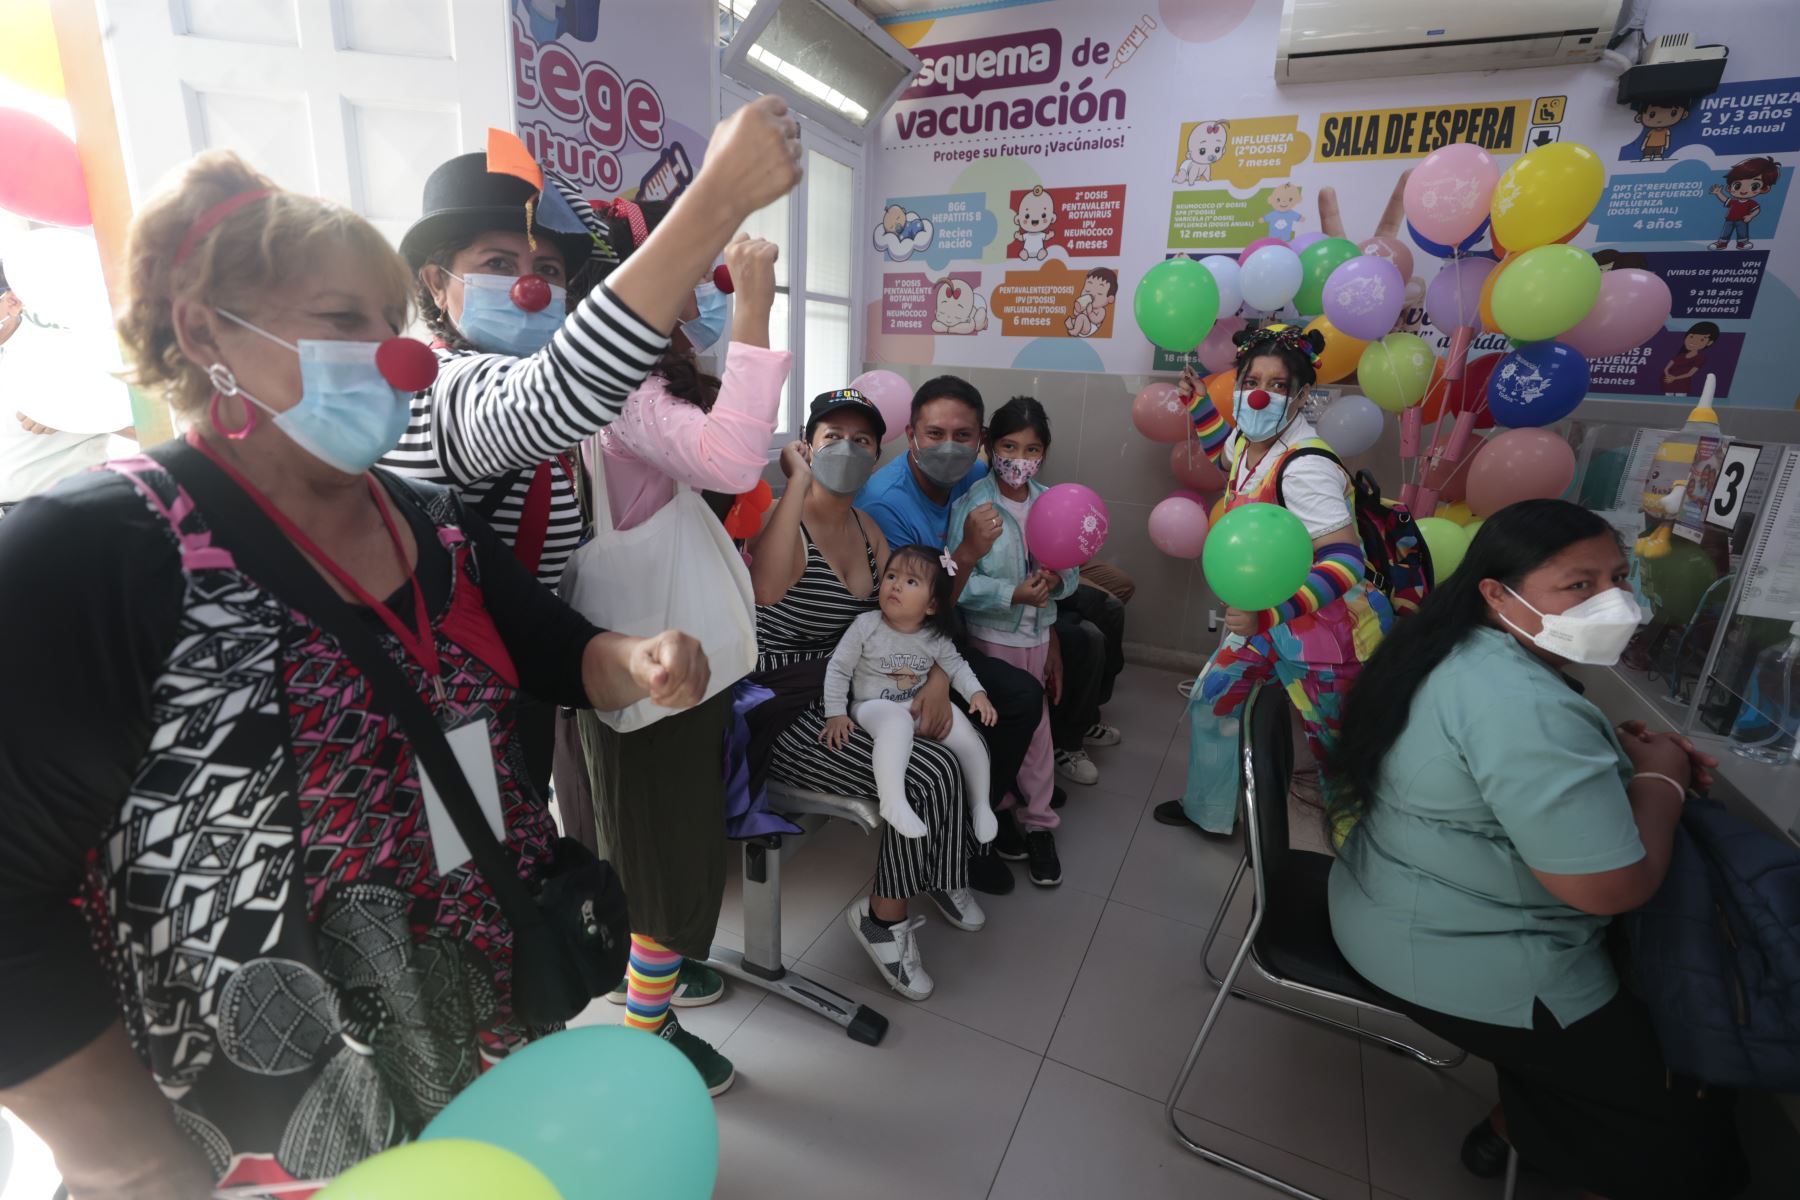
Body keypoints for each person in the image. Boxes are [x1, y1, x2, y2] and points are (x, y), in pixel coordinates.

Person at [0, 152, 710, 1199]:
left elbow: (561, 653)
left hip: (470, 1037)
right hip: (247, 1119)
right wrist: (127, 1160)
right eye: (342, 320)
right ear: (205, 335)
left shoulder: (427, 521)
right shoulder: (99, 550)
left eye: (391, 320)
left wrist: (635, 662)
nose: (391, 358)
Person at [1327, 500, 1747, 1200]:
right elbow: (1609, 888)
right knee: (1688, 1083)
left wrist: (1612, 755)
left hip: (1385, 906)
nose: (1611, 603)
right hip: (1463, 959)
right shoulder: (1517, 700)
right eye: (1578, 585)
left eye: (1618, 578)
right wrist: (1661, 782)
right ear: (1497, 592)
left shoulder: (1453, 647)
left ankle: (1510, 1127)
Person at [381, 98, 801, 797]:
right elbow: (555, 394)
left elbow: (535, 596)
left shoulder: (544, 412)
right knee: (470, 881)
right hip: (444, 712)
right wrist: (716, 200)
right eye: (497, 260)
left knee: (516, 859)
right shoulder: (436, 393)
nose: (529, 283)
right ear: (435, 281)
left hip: (523, 695)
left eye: (545, 264)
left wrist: (623, 660)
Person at [558, 206, 787, 1095]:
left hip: (656, 674)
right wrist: (758, 305)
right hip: (655, 684)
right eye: (679, 273)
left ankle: (652, 984)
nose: (693, 292)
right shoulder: (622, 395)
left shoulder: (602, 389)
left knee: (658, 850)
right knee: (661, 866)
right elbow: (733, 460)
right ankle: (647, 1028)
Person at [748, 390, 985, 1001]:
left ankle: (938, 870)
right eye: (832, 437)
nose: (847, 450)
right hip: (781, 704)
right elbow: (768, 588)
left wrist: (936, 679)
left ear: (881, 450)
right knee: (923, 772)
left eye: (862, 440)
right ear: (805, 444)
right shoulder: (783, 519)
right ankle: (883, 923)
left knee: (953, 741)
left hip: (858, 686)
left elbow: (914, 618)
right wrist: (797, 480)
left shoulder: (870, 528)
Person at [1157, 324, 1392, 838]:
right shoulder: (1251, 439)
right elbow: (1227, 458)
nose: (1260, 393)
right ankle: (1210, 811)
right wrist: (1200, 405)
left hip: (1326, 636)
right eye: (1251, 379)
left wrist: (1269, 614)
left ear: (1302, 395)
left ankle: (1361, 855)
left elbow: (1346, 560)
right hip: (1265, 622)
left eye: (1278, 384)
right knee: (1213, 701)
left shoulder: (1307, 466)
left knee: (1337, 750)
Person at [855, 375, 1060, 893]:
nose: (950, 447)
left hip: (968, 620)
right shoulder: (888, 504)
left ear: (980, 440)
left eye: (963, 435)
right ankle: (975, 826)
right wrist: (941, 675)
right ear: (911, 434)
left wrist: (1050, 630)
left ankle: (1023, 786)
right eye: (936, 433)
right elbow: (909, 613)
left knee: (1082, 633)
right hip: (910, 642)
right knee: (1018, 696)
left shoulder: (978, 476)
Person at [947, 396, 1078, 886]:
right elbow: (958, 584)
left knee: (1038, 729)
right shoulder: (972, 507)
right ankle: (1000, 807)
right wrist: (1010, 592)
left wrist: (1057, 583)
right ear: (988, 445)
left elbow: (1074, 571)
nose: (1019, 459)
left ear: (1044, 453)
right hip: (989, 637)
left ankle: (1039, 822)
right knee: (999, 727)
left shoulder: (1053, 504)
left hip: (1037, 635)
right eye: (1008, 446)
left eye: (1031, 448)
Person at [822, 543, 998, 841]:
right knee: (896, 723)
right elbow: (838, 669)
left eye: (911, 581)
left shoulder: (934, 637)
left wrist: (977, 694)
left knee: (966, 733)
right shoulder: (866, 626)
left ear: (931, 605)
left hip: (914, 705)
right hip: (871, 706)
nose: (896, 586)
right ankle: (892, 801)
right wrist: (835, 712)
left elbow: (957, 667)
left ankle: (981, 804)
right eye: (891, 576)